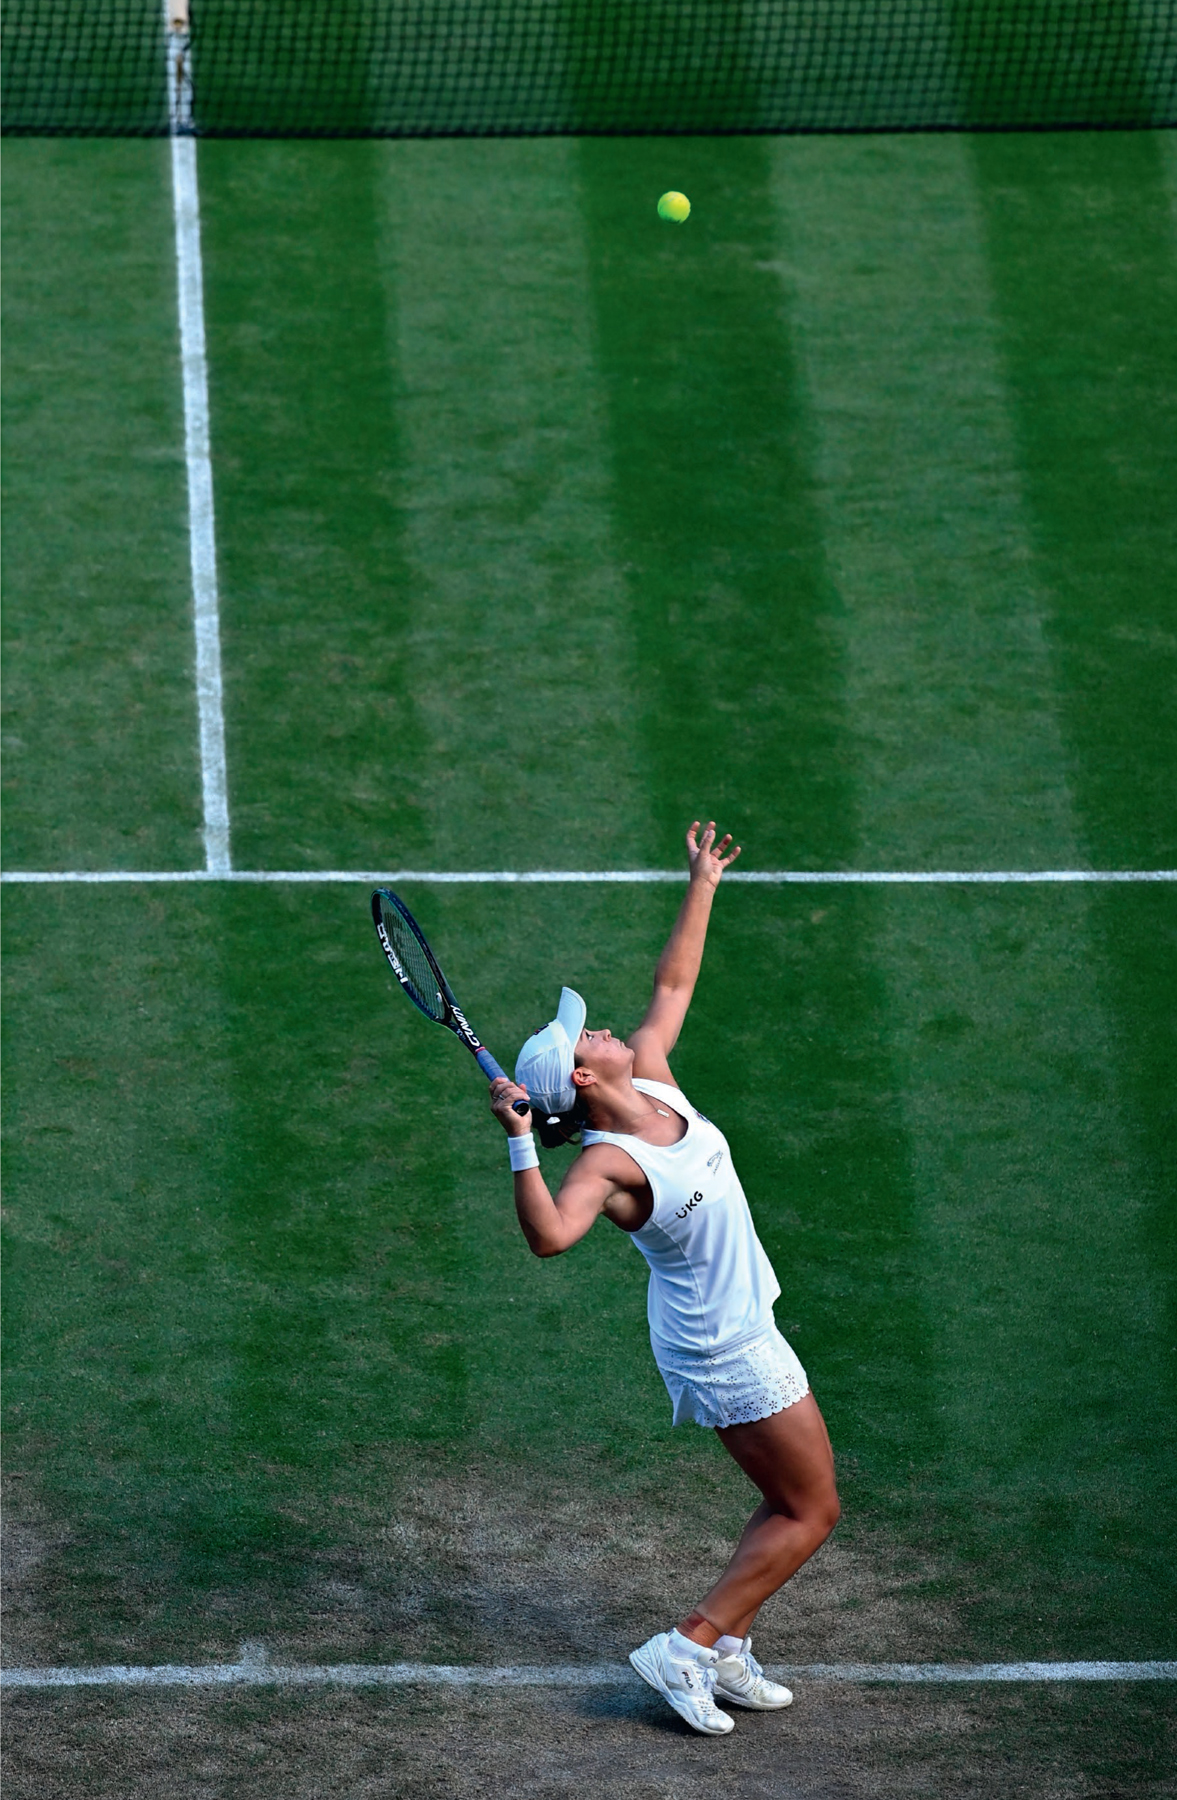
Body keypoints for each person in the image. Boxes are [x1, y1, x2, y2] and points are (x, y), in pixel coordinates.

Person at [489, 821, 840, 1736]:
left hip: (735, 1327)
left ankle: (725, 1652)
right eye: (582, 1034)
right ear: (578, 1074)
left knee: (784, 1501)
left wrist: (703, 881)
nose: (598, 1025)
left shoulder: (651, 1077)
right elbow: (550, 1241)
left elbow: (673, 981)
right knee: (812, 1509)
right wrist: (521, 1142)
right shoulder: (602, 1166)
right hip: (721, 1347)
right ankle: (687, 1646)